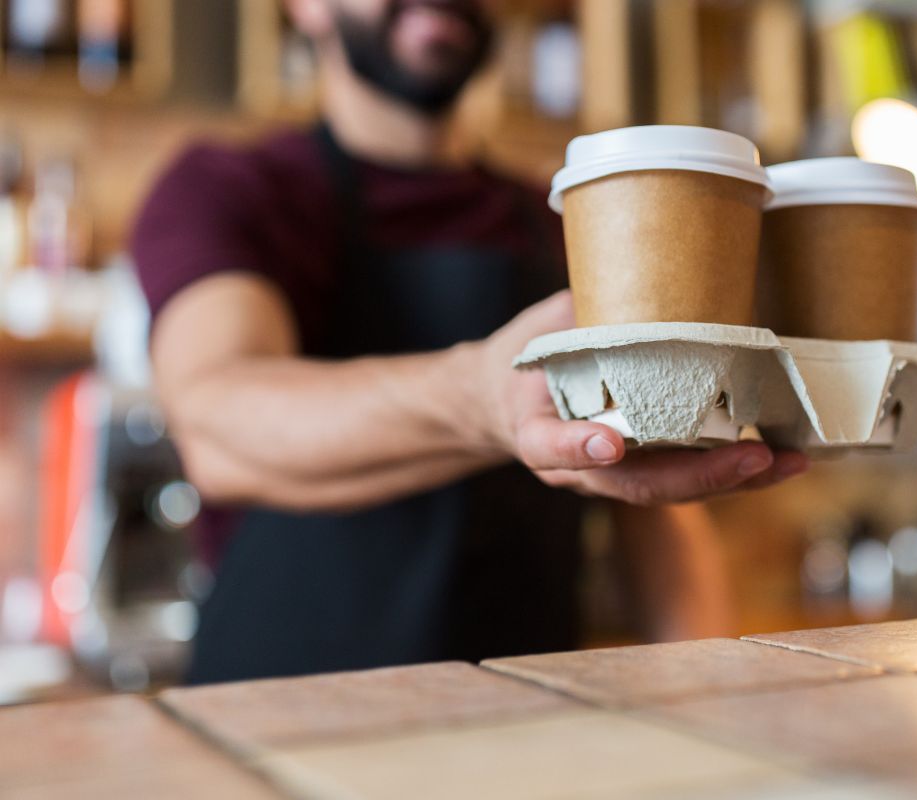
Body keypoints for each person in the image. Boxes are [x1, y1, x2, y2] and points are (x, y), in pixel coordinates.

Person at [132, 0, 808, 684]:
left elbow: (652, 514)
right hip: (280, 733)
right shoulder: (229, 190)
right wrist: (481, 400)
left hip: (525, 739)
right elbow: (218, 423)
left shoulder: (571, 219)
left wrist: (713, 693)